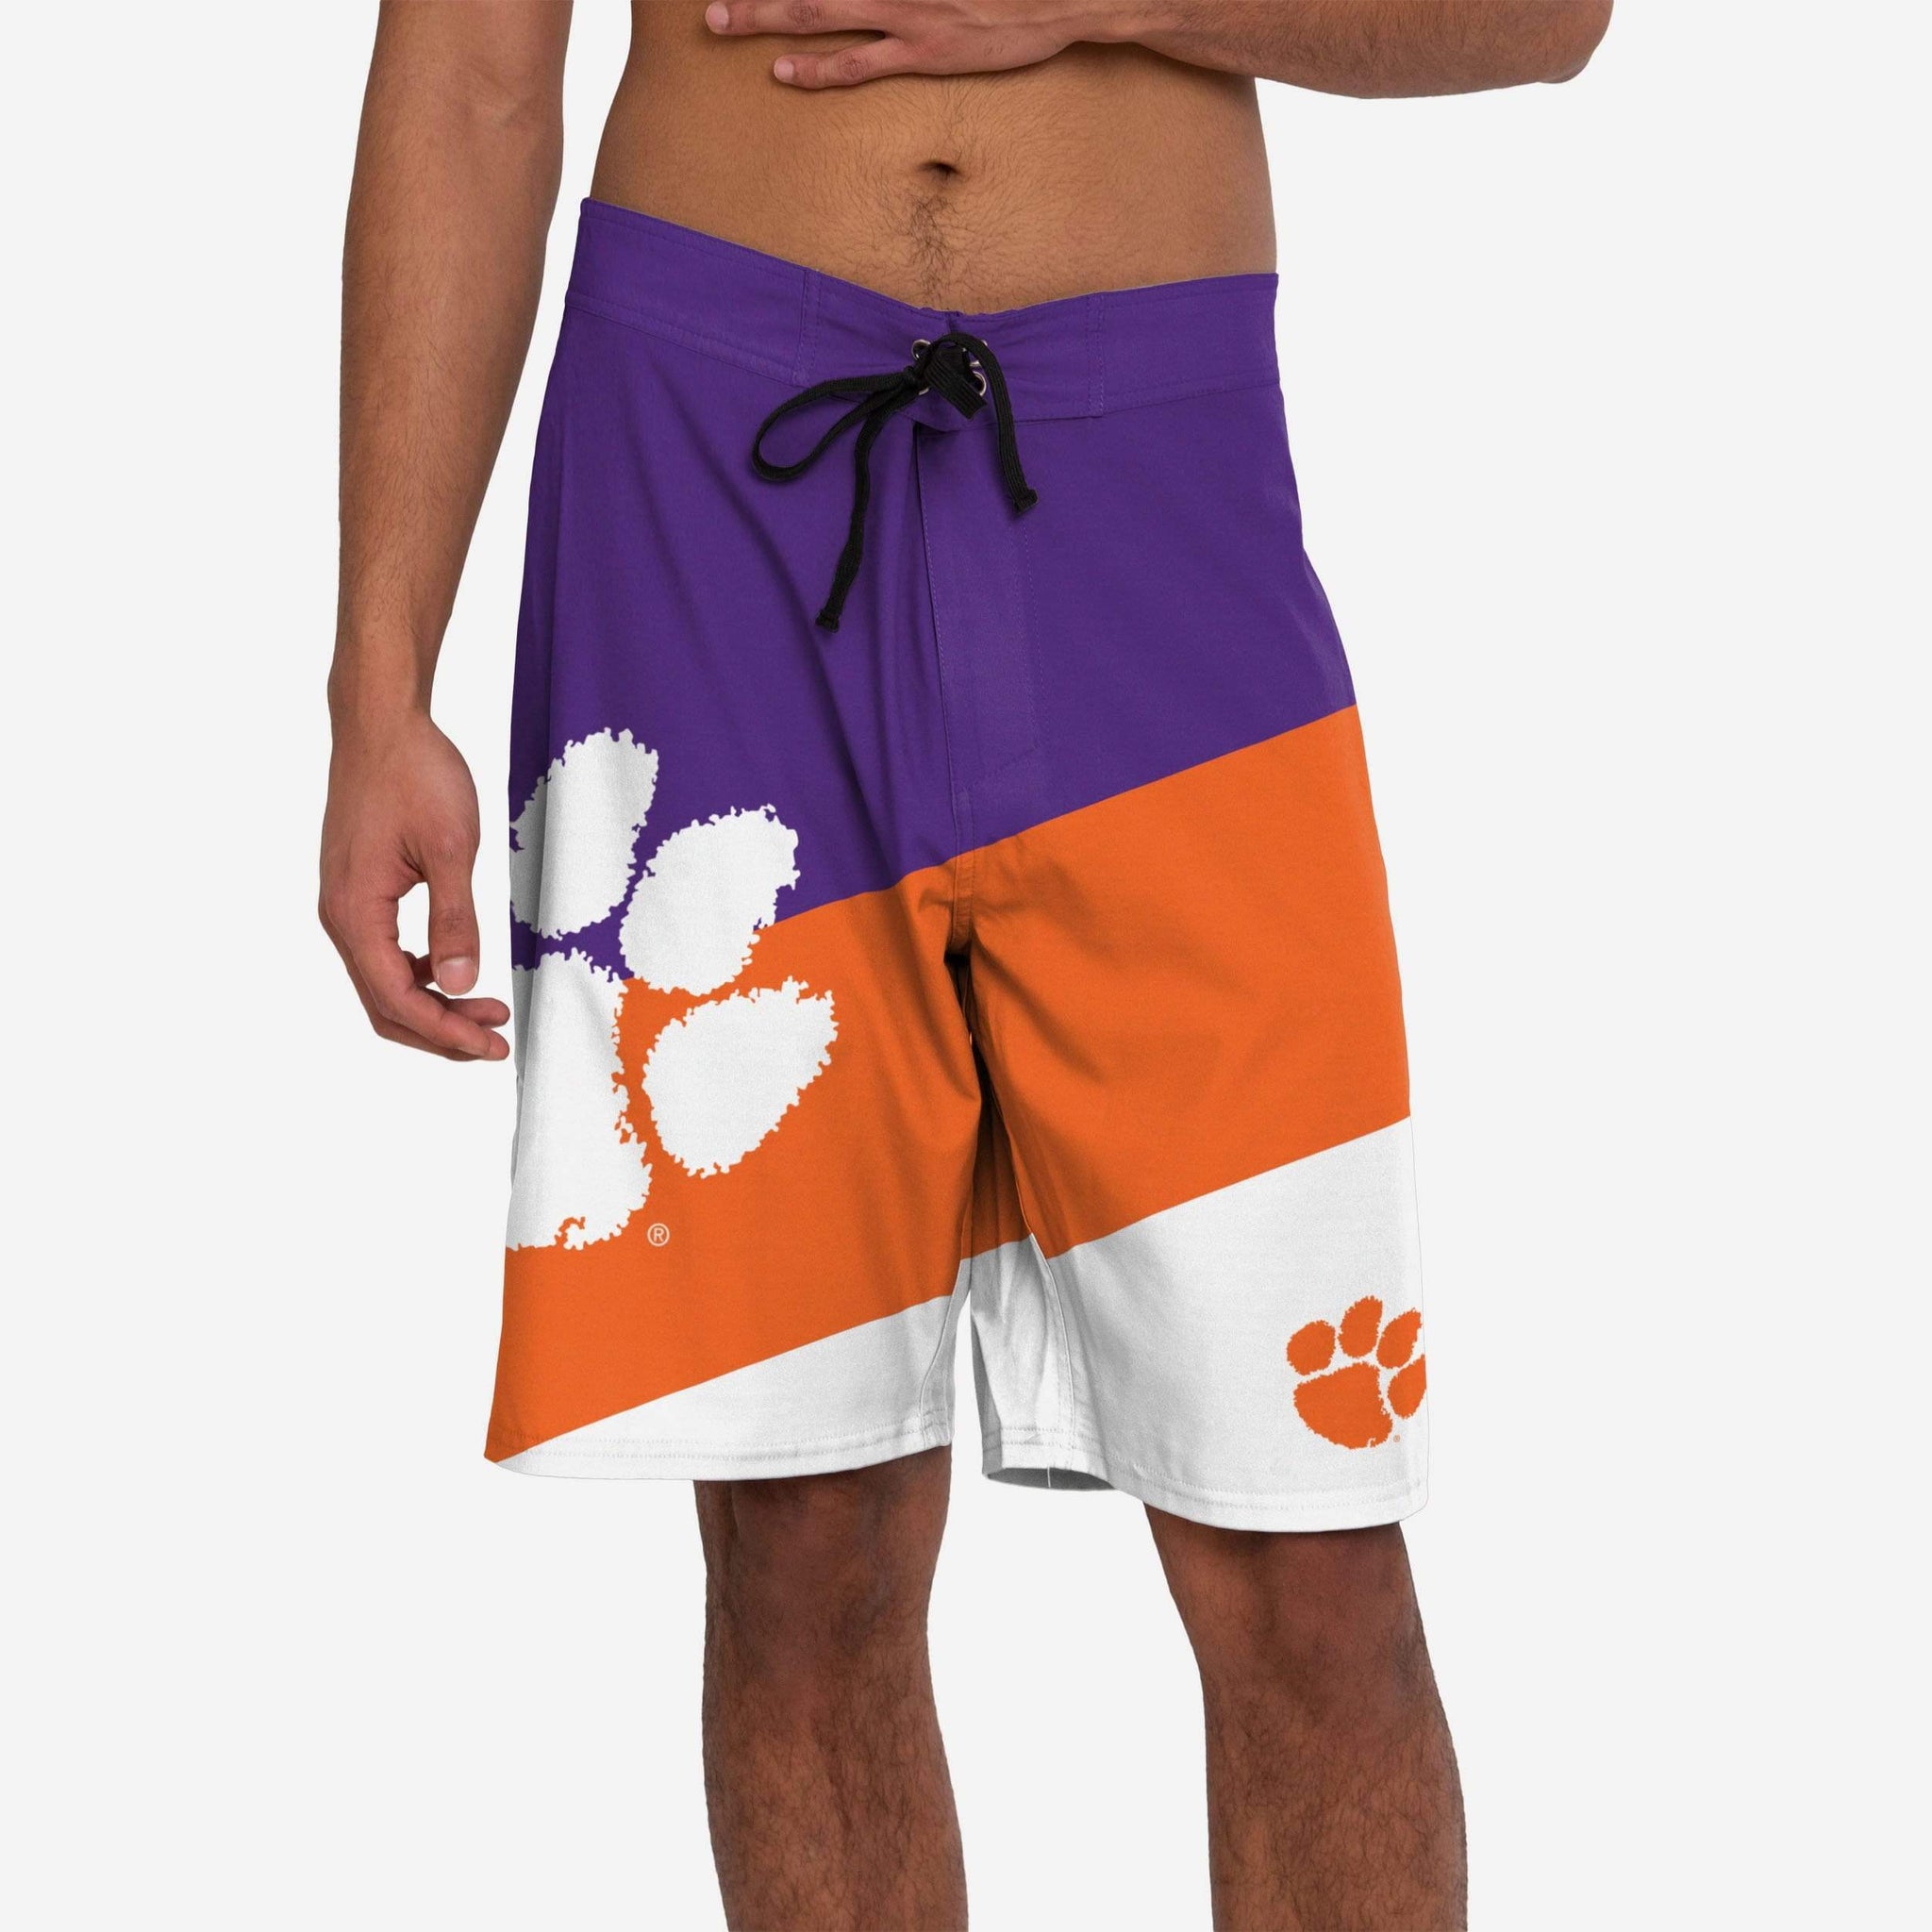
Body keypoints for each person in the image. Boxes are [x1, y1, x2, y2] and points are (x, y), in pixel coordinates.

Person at [321, 3, 1609, 1924]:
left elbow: (1547, 15)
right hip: (704, 485)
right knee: (803, 1537)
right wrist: (378, 681)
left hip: (1156, 492)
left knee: (1305, 1531)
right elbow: (473, 77)